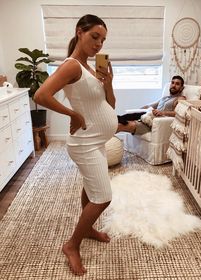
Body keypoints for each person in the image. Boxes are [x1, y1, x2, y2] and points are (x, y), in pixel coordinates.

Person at [34, 14, 118, 276]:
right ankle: (72, 245)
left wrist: (109, 83)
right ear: (79, 32)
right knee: (103, 197)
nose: (99, 44)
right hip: (85, 143)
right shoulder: (72, 66)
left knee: (92, 189)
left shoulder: (92, 69)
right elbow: (41, 95)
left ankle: (88, 228)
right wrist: (73, 114)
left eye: (102, 40)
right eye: (95, 36)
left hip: (97, 139)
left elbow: (110, 106)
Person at [117, 75, 186, 134]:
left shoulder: (180, 98)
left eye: (177, 84)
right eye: (172, 83)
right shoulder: (165, 98)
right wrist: (137, 110)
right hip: (147, 117)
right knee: (116, 123)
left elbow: (179, 113)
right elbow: (149, 106)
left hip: (155, 123)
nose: (173, 85)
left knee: (120, 126)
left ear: (181, 88)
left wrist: (162, 112)